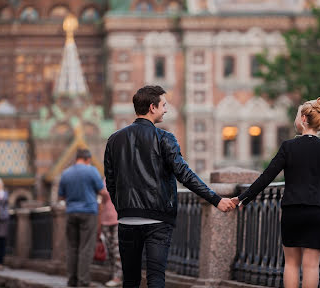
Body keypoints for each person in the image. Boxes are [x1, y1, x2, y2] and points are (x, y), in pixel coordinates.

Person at [104, 85, 235, 288]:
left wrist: (123, 208)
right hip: (158, 219)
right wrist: (216, 199)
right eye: (163, 105)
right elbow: (185, 175)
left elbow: (110, 181)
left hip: (127, 219)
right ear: (152, 107)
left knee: (130, 280)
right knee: (156, 278)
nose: (166, 109)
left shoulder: (114, 140)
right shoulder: (165, 138)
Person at [232, 96, 320, 288]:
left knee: (291, 264)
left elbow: (266, 177)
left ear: (304, 119)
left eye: (297, 115)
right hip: (318, 212)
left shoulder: (288, 147)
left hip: (292, 211)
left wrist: (242, 198)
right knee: (312, 266)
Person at [58, 148, 107, 287]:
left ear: (76, 158)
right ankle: (83, 281)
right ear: (88, 159)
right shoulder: (91, 170)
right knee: (86, 247)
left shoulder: (66, 173)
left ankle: (72, 280)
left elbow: (61, 196)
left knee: (72, 247)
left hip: (71, 212)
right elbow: (102, 191)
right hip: (88, 212)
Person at [100, 182, 122, 287]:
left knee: (117, 250)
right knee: (109, 251)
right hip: (105, 220)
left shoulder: (123, 177)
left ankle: (117, 277)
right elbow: (102, 201)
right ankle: (113, 274)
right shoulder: (105, 179)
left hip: (118, 220)